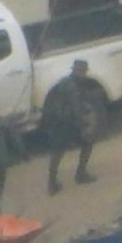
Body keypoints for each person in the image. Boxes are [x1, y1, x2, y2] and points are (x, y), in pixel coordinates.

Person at [43, 59, 100, 196]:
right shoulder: (74, 87)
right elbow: (76, 109)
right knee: (87, 143)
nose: (84, 74)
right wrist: (84, 125)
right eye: (83, 71)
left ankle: (51, 184)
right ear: (81, 71)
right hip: (66, 122)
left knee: (57, 153)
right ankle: (80, 175)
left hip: (54, 121)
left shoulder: (63, 82)